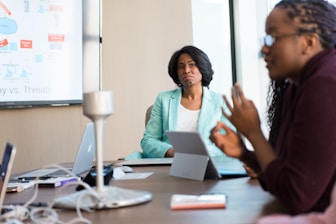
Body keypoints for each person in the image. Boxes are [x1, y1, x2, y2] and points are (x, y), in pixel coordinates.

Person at [209, 0, 336, 215]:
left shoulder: (324, 83)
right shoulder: (297, 86)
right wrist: (245, 154)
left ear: (309, 42)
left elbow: (297, 197)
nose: (263, 48)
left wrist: (253, 132)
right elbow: (284, 179)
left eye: (273, 37)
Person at [141, 45, 234, 158]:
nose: (186, 70)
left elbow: (229, 143)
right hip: (170, 163)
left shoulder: (220, 101)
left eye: (192, 65)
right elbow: (148, 140)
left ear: (202, 67)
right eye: (181, 66)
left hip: (207, 162)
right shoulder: (163, 99)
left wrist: (199, 152)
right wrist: (171, 152)